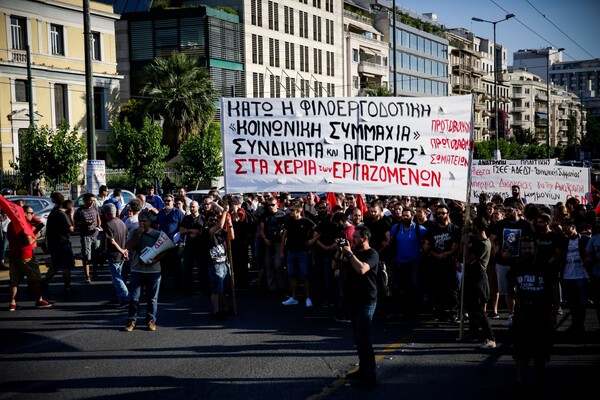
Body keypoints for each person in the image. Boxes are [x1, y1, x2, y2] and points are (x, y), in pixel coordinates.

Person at [507, 236, 560, 396]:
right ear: (520, 250)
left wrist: (553, 313)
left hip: (542, 315)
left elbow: (555, 292)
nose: (527, 251)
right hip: (523, 315)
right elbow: (509, 289)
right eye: (524, 248)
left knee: (540, 355)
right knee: (521, 354)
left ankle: (538, 385)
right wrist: (518, 300)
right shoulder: (516, 266)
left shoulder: (544, 266)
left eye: (529, 248)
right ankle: (520, 385)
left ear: (535, 249)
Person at [334, 225, 379, 388]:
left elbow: (361, 269)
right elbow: (335, 266)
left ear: (365, 238)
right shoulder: (353, 252)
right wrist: (340, 251)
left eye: (356, 237)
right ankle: (363, 369)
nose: (352, 239)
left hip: (367, 301)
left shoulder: (372, 254)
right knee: (358, 339)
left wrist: (349, 253)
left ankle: (371, 375)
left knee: (364, 339)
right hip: (353, 300)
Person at [489, 200, 535, 327]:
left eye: (510, 210)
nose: (507, 213)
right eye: (506, 210)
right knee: (507, 290)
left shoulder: (526, 225)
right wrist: (497, 248)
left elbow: (532, 241)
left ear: (517, 210)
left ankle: (525, 315)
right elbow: (492, 238)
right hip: (503, 262)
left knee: (523, 288)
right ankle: (511, 315)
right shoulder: (501, 224)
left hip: (521, 262)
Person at [124, 211, 164, 332]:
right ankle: (132, 320)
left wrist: (154, 260)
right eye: (140, 221)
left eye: (144, 221)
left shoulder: (157, 234)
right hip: (137, 269)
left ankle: (151, 321)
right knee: (134, 298)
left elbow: (164, 251)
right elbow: (128, 247)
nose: (142, 223)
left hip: (153, 271)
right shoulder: (134, 232)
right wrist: (138, 235)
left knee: (152, 298)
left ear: (150, 222)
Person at [7, 207, 53, 311]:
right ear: (24, 213)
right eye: (31, 213)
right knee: (35, 279)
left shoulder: (11, 224)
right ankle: (39, 299)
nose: (33, 215)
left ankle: (12, 303)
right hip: (26, 255)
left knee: (14, 281)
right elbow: (28, 241)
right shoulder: (25, 225)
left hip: (14, 255)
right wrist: (36, 235)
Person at [422, 203, 461, 322]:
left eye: (442, 213)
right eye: (438, 213)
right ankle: (439, 312)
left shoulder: (453, 228)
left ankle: (453, 312)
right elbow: (426, 246)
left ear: (447, 214)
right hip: (435, 262)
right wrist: (436, 255)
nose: (440, 215)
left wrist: (446, 254)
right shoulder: (432, 229)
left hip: (450, 262)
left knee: (452, 289)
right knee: (437, 289)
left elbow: (456, 246)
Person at [463, 217, 496, 349]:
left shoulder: (482, 244)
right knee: (471, 308)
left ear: (476, 227)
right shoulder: (479, 241)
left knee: (479, 310)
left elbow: (468, 259)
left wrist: (465, 245)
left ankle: (491, 337)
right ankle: (473, 333)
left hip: (478, 278)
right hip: (473, 277)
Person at [389, 207, 427, 318]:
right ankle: (403, 309)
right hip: (400, 261)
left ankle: (415, 309)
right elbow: (391, 242)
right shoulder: (395, 228)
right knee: (401, 286)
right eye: (403, 215)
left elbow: (427, 242)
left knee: (414, 284)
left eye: (407, 215)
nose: (405, 217)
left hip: (414, 262)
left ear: (412, 217)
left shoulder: (420, 229)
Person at [280, 203, 316, 307]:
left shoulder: (306, 221)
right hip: (291, 251)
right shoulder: (288, 222)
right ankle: (294, 297)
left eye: (292, 210)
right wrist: (282, 251)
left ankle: (308, 298)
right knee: (292, 275)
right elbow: (284, 237)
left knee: (306, 275)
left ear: (298, 211)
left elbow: (318, 230)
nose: (290, 212)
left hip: (304, 252)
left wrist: (313, 240)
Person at [203, 206, 234, 321]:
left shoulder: (220, 232)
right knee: (216, 289)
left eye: (215, 220)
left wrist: (230, 223)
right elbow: (219, 225)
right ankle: (216, 311)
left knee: (225, 289)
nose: (214, 222)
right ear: (206, 221)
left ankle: (225, 309)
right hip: (214, 264)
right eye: (211, 220)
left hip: (224, 263)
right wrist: (225, 211)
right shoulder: (206, 231)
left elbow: (231, 236)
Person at [44, 191, 76, 296]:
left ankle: (44, 283)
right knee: (66, 267)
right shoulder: (61, 214)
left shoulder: (53, 212)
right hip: (62, 243)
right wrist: (71, 215)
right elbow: (71, 229)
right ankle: (67, 288)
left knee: (55, 265)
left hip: (54, 243)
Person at [561, 220, 590, 334]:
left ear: (573, 227)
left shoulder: (584, 239)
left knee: (582, 303)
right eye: (563, 229)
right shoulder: (564, 241)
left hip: (582, 275)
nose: (565, 231)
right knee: (572, 303)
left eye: (567, 228)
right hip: (568, 275)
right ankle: (574, 324)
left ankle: (580, 325)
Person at [155, 194, 185, 291]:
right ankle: (162, 286)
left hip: (174, 243)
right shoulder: (161, 212)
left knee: (175, 265)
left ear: (173, 201)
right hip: (162, 242)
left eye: (168, 200)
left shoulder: (178, 212)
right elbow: (155, 223)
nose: (167, 202)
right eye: (165, 200)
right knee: (162, 265)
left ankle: (178, 286)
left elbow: (184, 225)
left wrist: (181, 240)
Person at [102, 203, 130, 308]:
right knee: (117, 276)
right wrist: (125, 250)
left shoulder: (108, 224)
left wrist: (122, 250)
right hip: (122, 255)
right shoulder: (121, 222)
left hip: (114, 254)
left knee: (117, 277)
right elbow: (127, 236)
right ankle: (115, 297)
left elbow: (112, 241)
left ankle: (125, 297)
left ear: (107, 213)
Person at [259, 196, 288, 296]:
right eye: (269, 205)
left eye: (272, 205)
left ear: (277, 204)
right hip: (268, 242)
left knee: (278, 265)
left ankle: (281, 286)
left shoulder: (282, 214)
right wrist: (264, 238)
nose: (270, 207)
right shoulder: (264, 215)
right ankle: (272, 287)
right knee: (268, 265)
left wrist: (282, 233)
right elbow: (261, 229)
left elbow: (286, 228)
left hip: (278, 242)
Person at [180, 200, 207, 295]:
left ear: (198, 207)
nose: (191, 208)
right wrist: (191, 231)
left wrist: (198, 233)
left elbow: (206, 232)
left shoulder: (203, 218)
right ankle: (187, 290)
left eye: (193, 207)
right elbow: (182, 231)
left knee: (202, 269)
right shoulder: (186, 219)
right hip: (189, 247)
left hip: (200, 247)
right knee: (187, 269)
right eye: (190, 207)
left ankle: (205, 290)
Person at [74, 193, 102, 283]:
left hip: (95, 234)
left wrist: (99, 226)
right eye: (90, 200)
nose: (91, 202)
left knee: (96, 255)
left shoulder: (95, 208)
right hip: (86, 235)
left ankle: (94, 273)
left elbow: (98, 218)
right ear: (85, 200)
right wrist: (84, 224)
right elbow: (76, 222)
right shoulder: (80, 210)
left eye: (93, 201)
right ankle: (87, 276)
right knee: (86, 256)